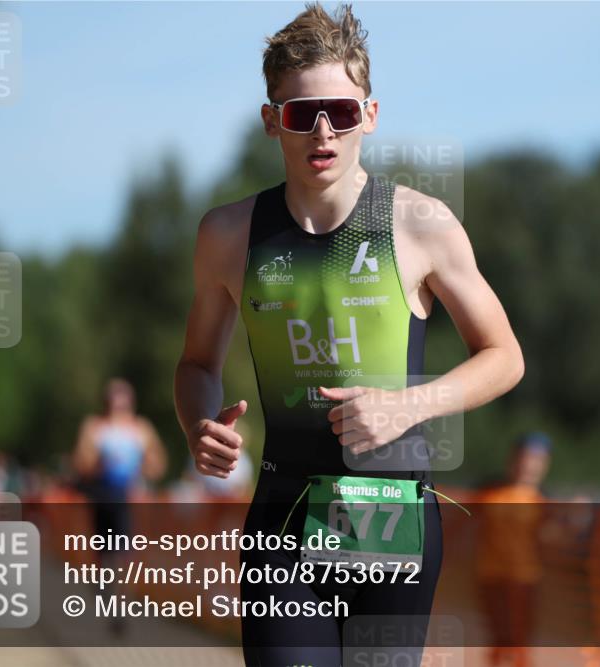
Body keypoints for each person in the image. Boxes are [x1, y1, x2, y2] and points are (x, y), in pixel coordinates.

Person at [174, 4, 525, 665]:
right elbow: (196, 364)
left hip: (389, 513)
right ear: (272, 120)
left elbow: (505, 356)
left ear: (370, 114)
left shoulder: (421, 224)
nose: (324, 130)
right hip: (283, 513)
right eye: (303, 114)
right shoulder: (226, 235)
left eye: (342, 109)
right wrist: (198, 425)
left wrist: (407, 404)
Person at [72, 377, 167, 633]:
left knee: (125, 553)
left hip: (128, 497)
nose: (118, 407)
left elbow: (158, 463)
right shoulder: (94, 426)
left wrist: (144, 467)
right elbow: (80, 463)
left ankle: (120, 606)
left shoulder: (141, 429)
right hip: (102, 495)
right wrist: (99, 461)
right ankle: (105, 589)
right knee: (104, 554)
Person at [474, 432, 552, 667]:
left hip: (524, 578)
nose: (529, 465)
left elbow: (551, 539)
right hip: (490, 574)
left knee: (518, 636)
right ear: (513, 459)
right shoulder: (488, 493)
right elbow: (461, 526)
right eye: (525, 457)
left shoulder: (542, 502)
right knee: (499, 634)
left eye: (537, 460)